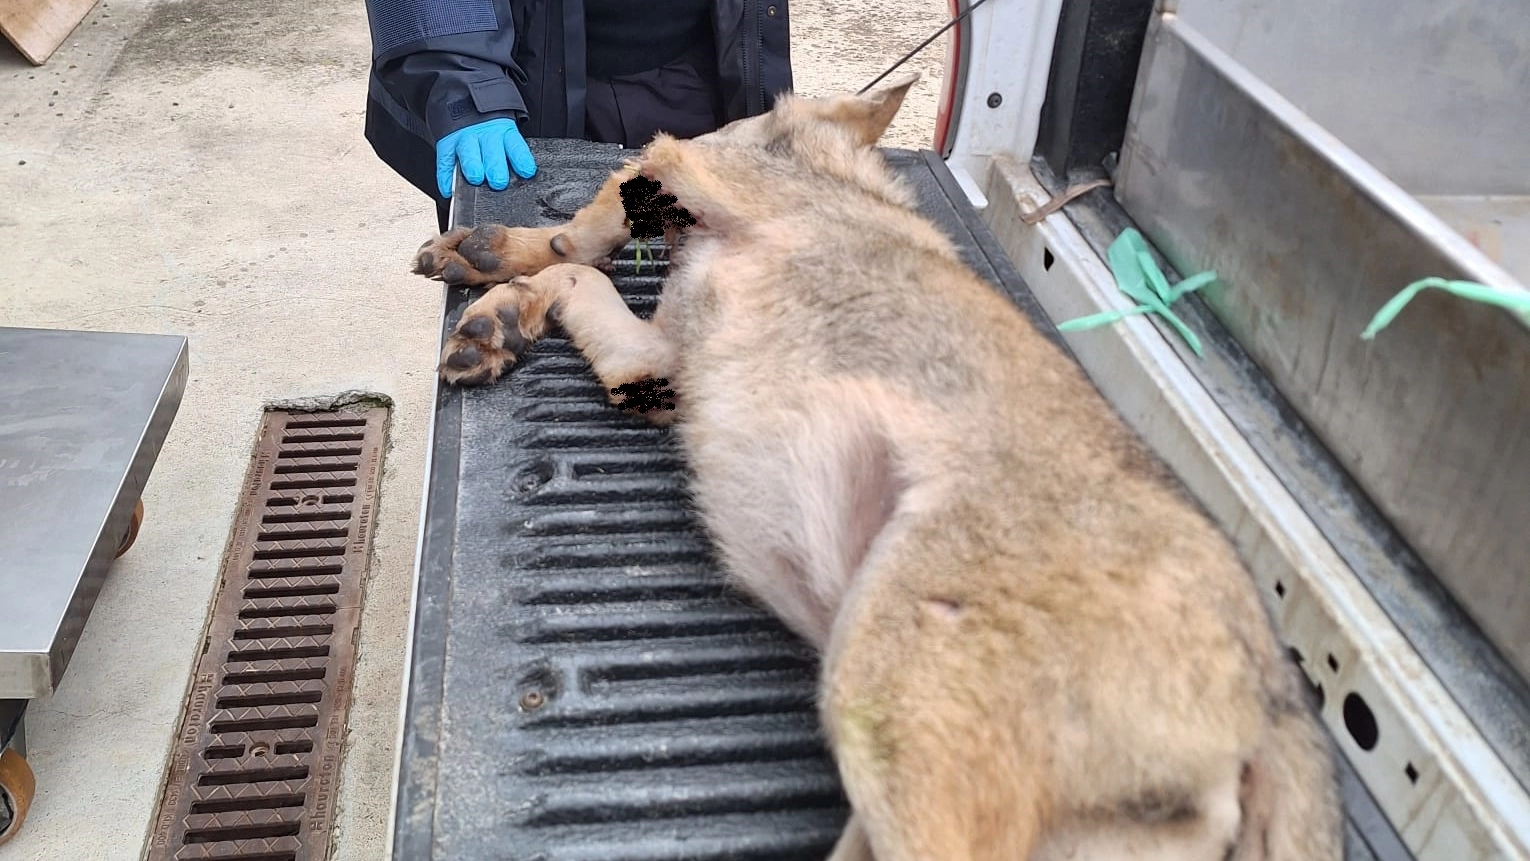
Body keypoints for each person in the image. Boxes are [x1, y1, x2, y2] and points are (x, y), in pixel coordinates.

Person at [363, 0, 793, 232]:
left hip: (702, 70)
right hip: (519, 85)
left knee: (697, 272)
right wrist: (465, 87)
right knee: (524, 290)